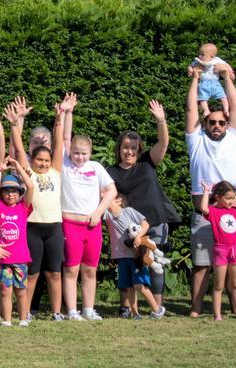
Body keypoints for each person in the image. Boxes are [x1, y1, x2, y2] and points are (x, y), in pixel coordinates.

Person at [185, 64, 236, 318]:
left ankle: (235, 309)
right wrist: (196, 79)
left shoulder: (235, 136)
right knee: (201, 265)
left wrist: (226, 78)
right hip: (205, 215)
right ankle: (197, 308)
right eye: (212, 122)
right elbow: (191, 109)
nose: (218, 125)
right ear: (205, 123)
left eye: (222, 121)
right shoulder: (196, 141)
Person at [107, 100, 176, 312]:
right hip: (129, 227)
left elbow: (163, 144)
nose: (129, 152)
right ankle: (126, 306)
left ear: (139, 150)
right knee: (127, 264)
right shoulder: (111, 171)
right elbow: (108, 197)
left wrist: (161, 120)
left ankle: (157, 306)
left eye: (133, 148)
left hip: (155, 221)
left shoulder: (147, 162)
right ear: (119, 149)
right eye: (125, 147)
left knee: (154, 263)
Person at [7, 96, 66, 320]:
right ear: (32, 160)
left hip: (54, 228)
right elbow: (20, 150)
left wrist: (59, 119)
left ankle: (57, 312)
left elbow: (59, 145)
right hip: (32, 228)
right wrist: (14, 125)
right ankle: (26, 311)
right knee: (32, 273)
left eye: (46, 160)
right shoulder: (28, 172)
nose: (42, 163)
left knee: (54, 273)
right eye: (38, 160)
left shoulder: (56, 172)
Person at [60, 95, 117, 321]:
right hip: (70, 224)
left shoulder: (95, 167)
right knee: (71, 269)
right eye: (76, 153)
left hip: (92, 225)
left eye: (84, 154)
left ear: (90, 153)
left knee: (89, 270)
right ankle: (73, 310)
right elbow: (65, 137)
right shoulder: (65, 163)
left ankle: (88, 309)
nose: (79, 158)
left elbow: (111, 191)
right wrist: (68, 112)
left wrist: (98, 212)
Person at [0, 161, 36, 327]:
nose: (10, 195)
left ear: (19, 193)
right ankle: (7, 320)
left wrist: (17, 166)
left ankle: (22, 319)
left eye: (14, 191)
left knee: (21, 291)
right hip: (2, 258)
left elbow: (31, 187)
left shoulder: (23, 207)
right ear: (2, 194)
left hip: (20, 258)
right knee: (5, 291)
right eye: (6, 191)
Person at [199, 181, 236, 321]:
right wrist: (207, 191)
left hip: (235, 250)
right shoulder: (213, 211)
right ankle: (217, 315)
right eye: (228, 198)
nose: (231, 201)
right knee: (219, 285)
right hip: (220, 251)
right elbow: (203, 208)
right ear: (218, 197)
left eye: (233, 198)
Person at [104, 195, 164, 319]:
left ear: (119, 200)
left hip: (136, 256)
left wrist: (138, 236)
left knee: (139, 285)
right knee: (129, 286)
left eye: (107, 197)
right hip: (121, 257)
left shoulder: (129, 211)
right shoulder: (107, 215)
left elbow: (145, 224)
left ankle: (157, 309)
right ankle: (135, 313)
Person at [188, 42, 229, 118]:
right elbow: (191, 65)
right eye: (199, 54)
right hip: (203, 83)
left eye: (202, 54)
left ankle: (226, 109)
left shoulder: (216, 60)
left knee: (223, 96)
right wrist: (190, 70)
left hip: (215, 83)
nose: (200, 56)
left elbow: (226, 65)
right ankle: (206, 110)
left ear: (212, 56)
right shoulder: (198, 61)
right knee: (202, 98)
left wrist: (230, 70)